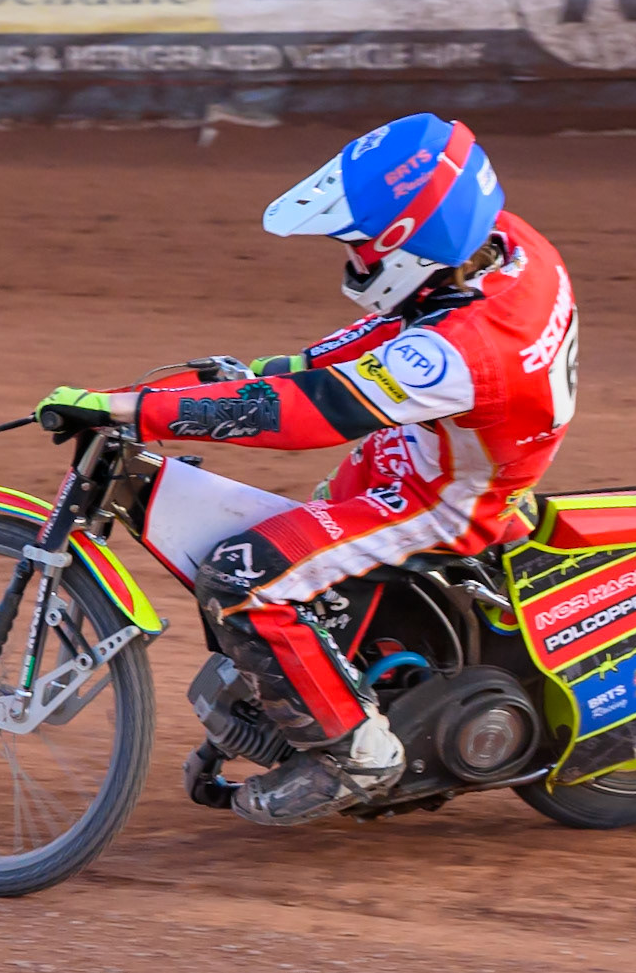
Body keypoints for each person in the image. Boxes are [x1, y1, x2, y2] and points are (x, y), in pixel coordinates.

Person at [31, 113, 580, 825]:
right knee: (307, 555)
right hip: (431, 444)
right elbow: (388, 334)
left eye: (357, 244)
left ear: (407, 244)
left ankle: (355, 751)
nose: (349, 258)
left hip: (443, 497)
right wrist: (254, 373)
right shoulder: (506, 244)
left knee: (241, 576)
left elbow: (311, 414)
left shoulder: (461, 351)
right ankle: (316, 685)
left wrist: (135, 410)